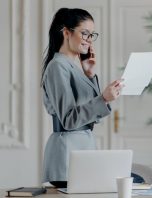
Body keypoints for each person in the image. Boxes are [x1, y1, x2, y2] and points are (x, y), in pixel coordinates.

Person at [41, 8, 123, 188]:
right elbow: (69, 119)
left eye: (92, 35)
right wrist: (103, 99)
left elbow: (92, 116)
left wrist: (89, 74)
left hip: (83, 150)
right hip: (66, 156)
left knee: (131, 180)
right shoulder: (57, 67)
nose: (88, 40)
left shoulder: (73, 67)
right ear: (66, 32)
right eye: (84, 33)